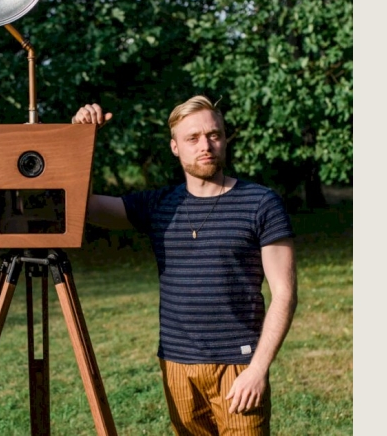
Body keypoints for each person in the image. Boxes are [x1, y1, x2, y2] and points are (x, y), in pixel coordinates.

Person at [72, 96, 298, 435]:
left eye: (214, 135)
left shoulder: (261, 203)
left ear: (224, 139)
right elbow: (82, 206)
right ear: (175, 147)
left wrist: (257, 369)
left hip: (238, 364)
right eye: (193, 138)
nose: (205, 145)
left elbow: (284, 293)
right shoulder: (159, 204)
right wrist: (82, 140)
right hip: (176, 363)